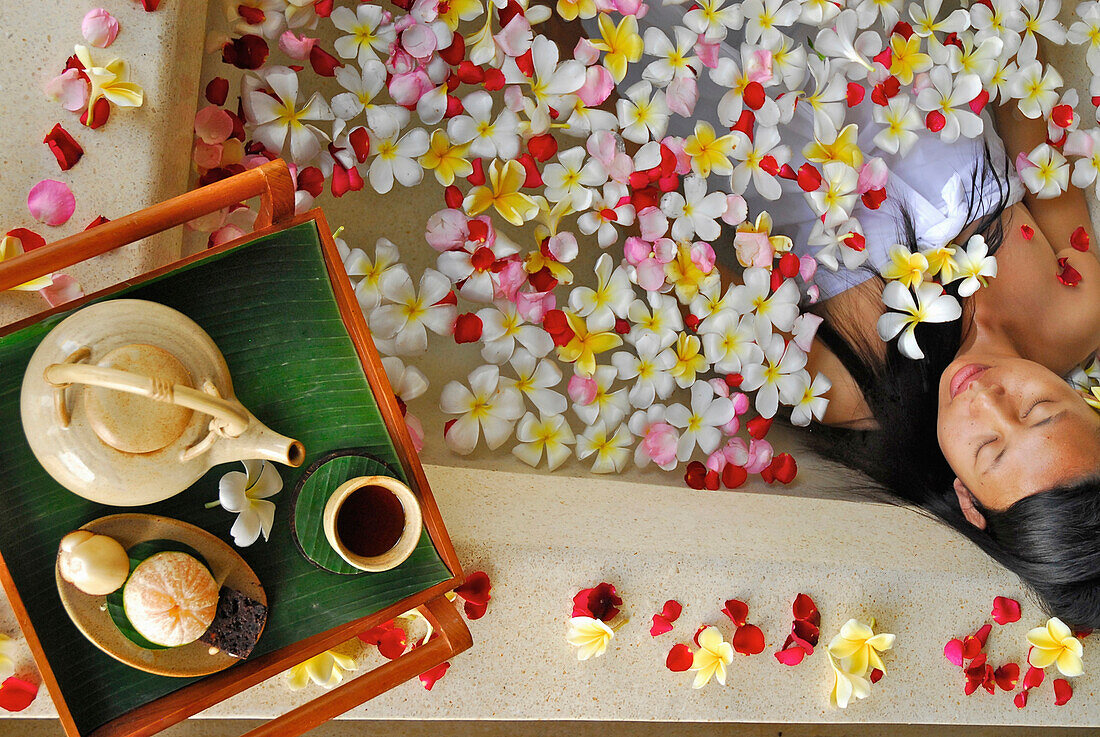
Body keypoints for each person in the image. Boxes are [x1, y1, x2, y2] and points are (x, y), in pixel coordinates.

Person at [567, 6, 1100, 627]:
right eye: (1041, 411)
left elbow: (664, 219)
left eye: (988, 447)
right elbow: (1022, 101)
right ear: (1087, 405)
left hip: (714, 62)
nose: (988, 401)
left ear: (966, 499)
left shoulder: (843, 388)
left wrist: (580, 59)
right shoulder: (1077, 305)